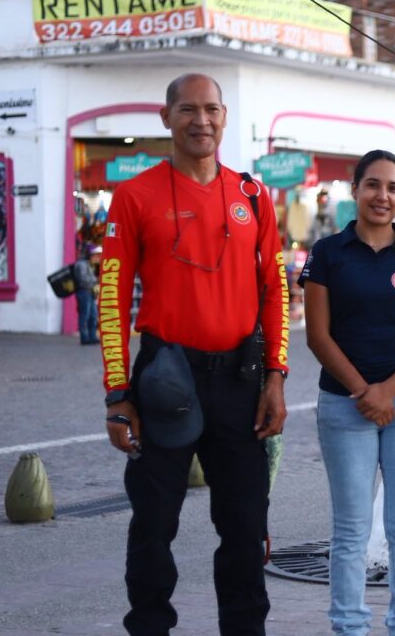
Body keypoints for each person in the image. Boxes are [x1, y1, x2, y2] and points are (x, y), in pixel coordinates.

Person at [98, 73, 289, 635]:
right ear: (166, 118)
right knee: (154, 527)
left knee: (245, 526)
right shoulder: (135, 196)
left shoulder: (254, 196)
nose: (199, 121)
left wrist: (276, 376)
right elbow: (111, 296)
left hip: (241, 382)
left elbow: (275, 289)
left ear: (224, 117)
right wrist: (117, 394)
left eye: (210, 109)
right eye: (187, 110)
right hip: (163, 381)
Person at [299, 150, 395, 636]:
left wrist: (390, 391)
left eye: (394, 188)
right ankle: (350, 628)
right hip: (345, 405)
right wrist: (365, 392)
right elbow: (318, 336)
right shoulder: (327, 253)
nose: (383, 196)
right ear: (355, 189)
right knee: (350, 531)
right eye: (373, 185)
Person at [74, 244, 102, 345]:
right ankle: (84, 337)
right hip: (83, 291)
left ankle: (92, 336)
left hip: (90, 291)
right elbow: (82, 279)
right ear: (89, 255)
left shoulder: (90, 265)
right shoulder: (81, 264)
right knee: (84, 315)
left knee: (93, 315)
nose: (97, 258)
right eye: (95, 255)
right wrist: (96, 280)